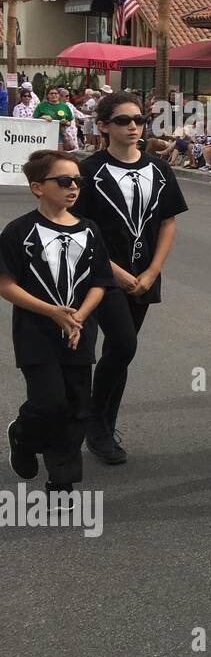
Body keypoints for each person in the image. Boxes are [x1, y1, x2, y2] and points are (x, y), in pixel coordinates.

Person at [74, 92, 188, 464]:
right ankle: (94, 423)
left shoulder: (158, 169)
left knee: (120, 352)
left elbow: (168, 221)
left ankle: (104, 424)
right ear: (104, 126)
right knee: (123, 344)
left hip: (145, 274)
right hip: (101, 276)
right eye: (124, 120)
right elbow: (80, 229)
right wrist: (118, 274)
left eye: (139, 119)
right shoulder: (89, 171)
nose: (134, 126)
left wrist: (153, 270)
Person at [0, 150, 112, 495]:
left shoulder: (90, 230)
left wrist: (78, 316)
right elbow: (6, 284)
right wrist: (51, 312)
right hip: (37, 333)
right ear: (37, 187)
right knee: (49, 402)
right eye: (64, 181)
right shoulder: (20, 231)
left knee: (78, 405)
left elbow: (100, 282)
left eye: (78, 181)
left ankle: (61, 480)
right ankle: (23, 433)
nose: (73, 187)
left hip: (79, 331)